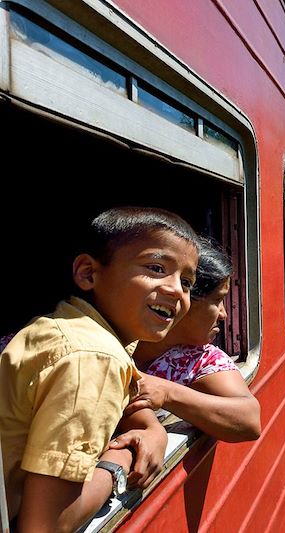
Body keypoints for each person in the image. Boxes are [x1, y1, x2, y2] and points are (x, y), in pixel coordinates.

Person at [0, 206, 200, 531]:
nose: (177, 289)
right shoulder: (97, 356)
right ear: (88, 273)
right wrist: (119, 461)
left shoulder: (61, 327)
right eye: (156, 267)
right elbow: (45, 525)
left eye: (188, 281)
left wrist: (153, 429)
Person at [126, 237, 261, 442]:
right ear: (182, 299)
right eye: (217, 300)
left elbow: (248, 420)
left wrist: (166, 393)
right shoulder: (116, 336)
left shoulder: (203, 359)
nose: (224, 314)